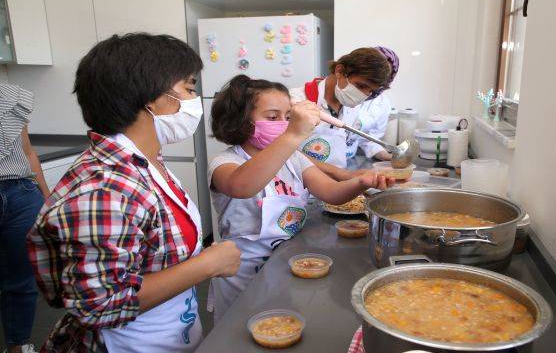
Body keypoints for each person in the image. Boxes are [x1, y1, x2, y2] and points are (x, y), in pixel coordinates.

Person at [26, 33, 241, 353]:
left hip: (166, 328)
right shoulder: (107, 188)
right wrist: (207, 265)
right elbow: (100, 304)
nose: (193, 100)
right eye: (189, 88)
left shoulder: (146, 162)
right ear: (152, 98)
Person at [207, 75, 394, 322]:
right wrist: (293, 134)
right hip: (242, 273)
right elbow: (243, 186)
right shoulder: (225, 163)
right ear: (239, 121)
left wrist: (359, 183)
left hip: (287, 263)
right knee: (240, 330)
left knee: (280, 324)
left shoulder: (293, 158)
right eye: (272, 117)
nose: (283, 124)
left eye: (287, 117)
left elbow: (330, 192)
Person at [289, 47, 400, 179]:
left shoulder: (352, 105)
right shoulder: (295, 100)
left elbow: (360, 139)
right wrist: (340, 174)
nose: (364, 95)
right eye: (360, 86)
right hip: (301, 184)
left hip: (335, 186)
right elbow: (286, 152)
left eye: (370, 91)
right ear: (340, 71)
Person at [0, 83, 49, 353]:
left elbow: (28, 151)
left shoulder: (10, 96)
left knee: (22, 280)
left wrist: (46, 198)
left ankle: (17, 347)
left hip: (20, 193)